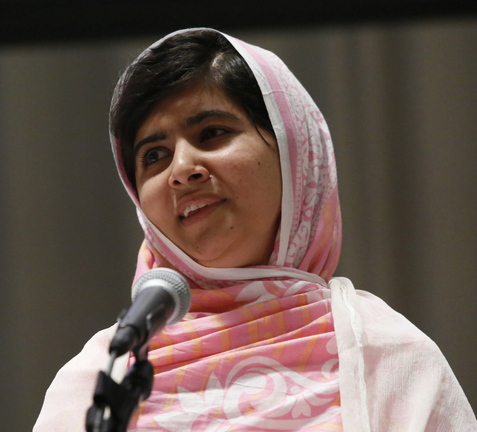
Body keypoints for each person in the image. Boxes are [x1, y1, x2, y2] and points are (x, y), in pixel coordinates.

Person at [33, 28, 476, 431]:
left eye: (212, 133)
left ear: (294, 155)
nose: (181, 169)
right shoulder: (100, 377)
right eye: (154, 155)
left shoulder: (388, 355)